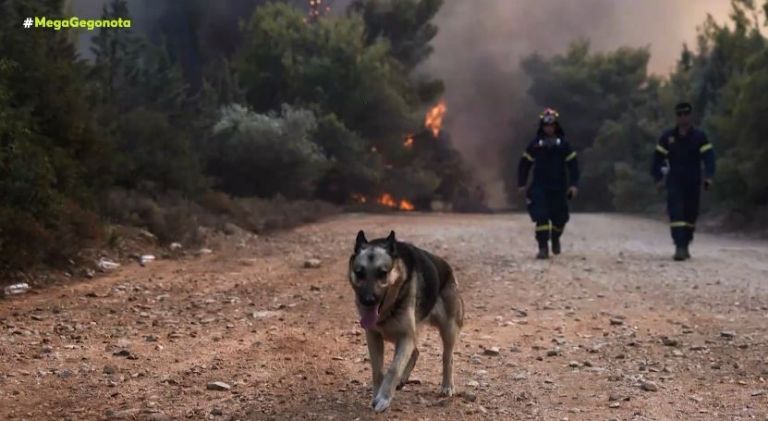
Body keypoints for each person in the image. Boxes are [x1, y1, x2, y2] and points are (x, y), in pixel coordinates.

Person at [651, 102, 715, 261]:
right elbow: (657, 159)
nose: (682, 117)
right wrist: (658, 179)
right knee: (676, 212)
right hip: (675, 180)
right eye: (679, 114)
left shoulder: (700, 137)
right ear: (676, 117)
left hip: (693, 180)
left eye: (685, 114)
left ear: (690, 115)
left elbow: (709, 158)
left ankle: (686, 243)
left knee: (690, 214)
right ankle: (679, 246)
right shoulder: (668, 137)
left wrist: (709, 176)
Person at [517, 108, 580, 259]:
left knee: (560, 219)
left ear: (556, 126)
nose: (549, 128)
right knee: (541, 217)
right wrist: (522, 183)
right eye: (546, 125)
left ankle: (556, 237)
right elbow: (524, 164)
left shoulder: (564, 144)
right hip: (540, 187)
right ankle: (543, 248)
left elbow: (573, 165)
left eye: (551, 125)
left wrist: (573, 184)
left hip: (559, 187)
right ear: (542, 126)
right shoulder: (535, 144)